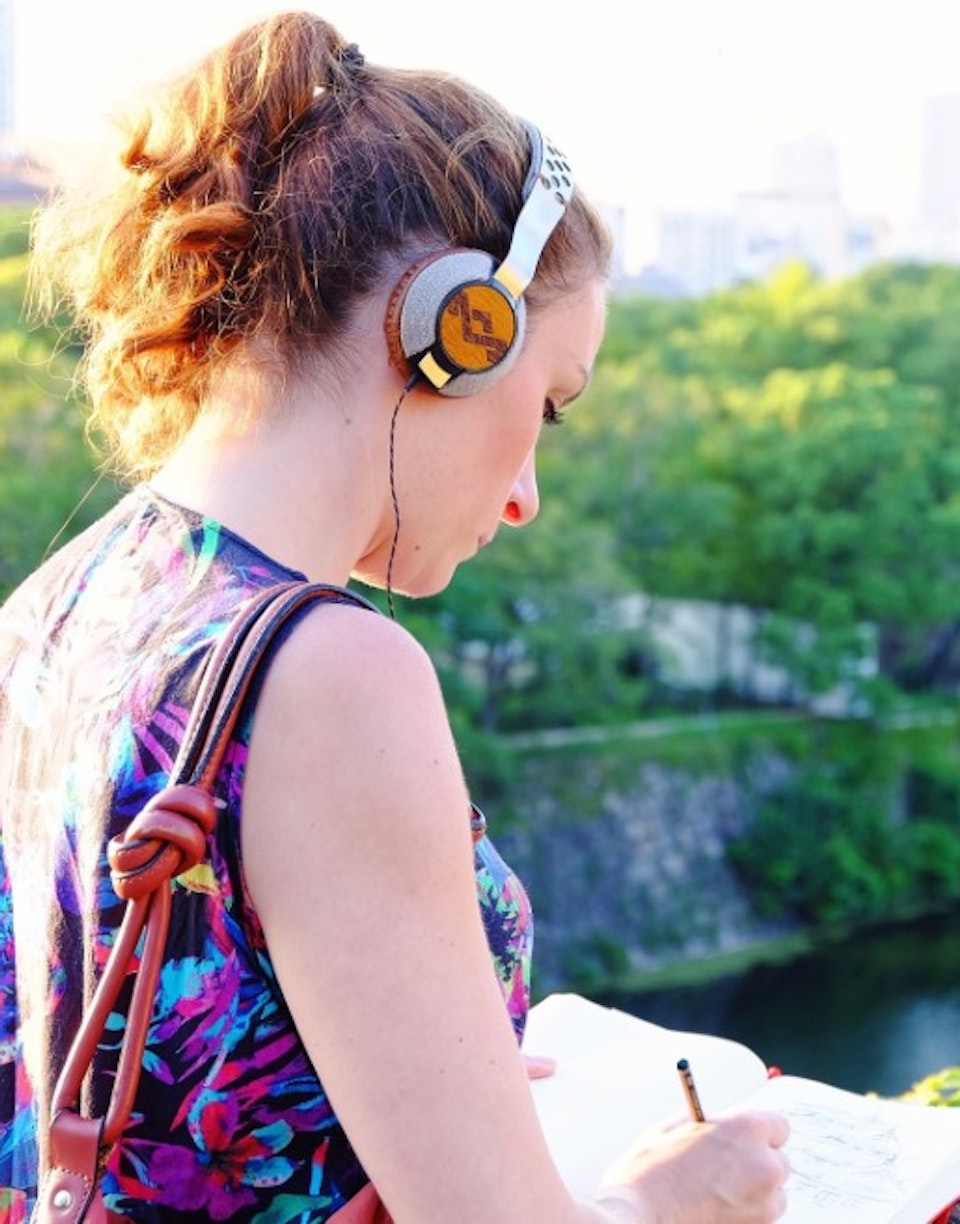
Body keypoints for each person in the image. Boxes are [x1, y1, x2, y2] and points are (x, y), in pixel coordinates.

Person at [0, 10, 791, 1222]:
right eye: (550, 404)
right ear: (455, 333)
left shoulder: (53, 605)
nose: (526, 495)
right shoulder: (331, 674)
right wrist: (675, 1199)